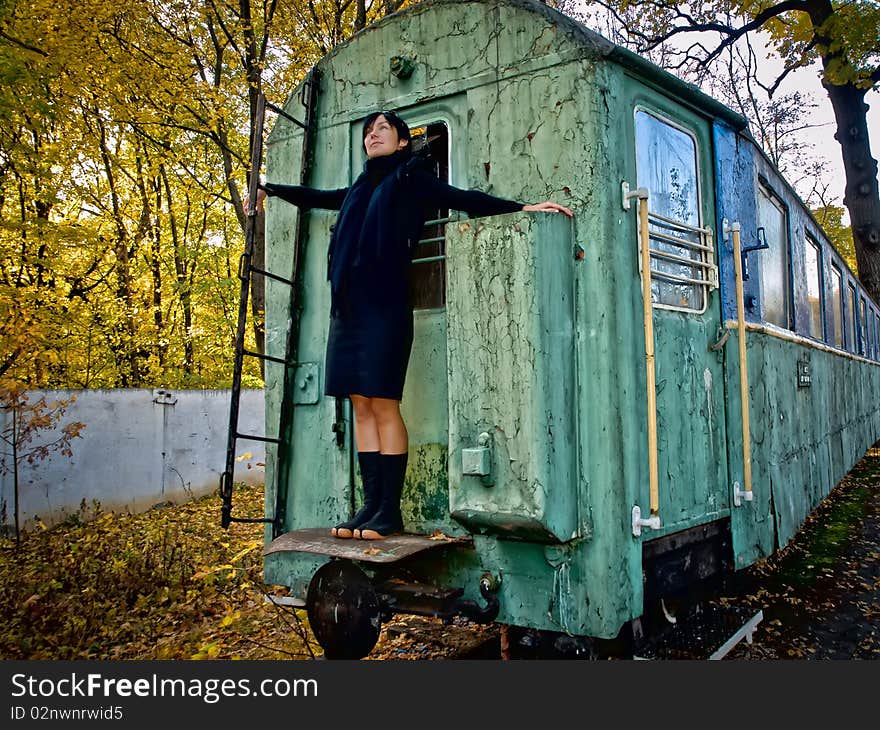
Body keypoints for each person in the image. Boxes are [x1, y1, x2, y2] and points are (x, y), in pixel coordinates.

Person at [250, 110, 573, 540]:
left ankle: (389, 510)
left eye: (383, 128)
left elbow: (464, 198)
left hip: (386, 306)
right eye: (368, 131)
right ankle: (369, 506)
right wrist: (271, 189)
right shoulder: (358, 190)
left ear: (402, 142)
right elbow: (318, 197)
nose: (373, 134)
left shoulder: (412, 180)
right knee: (359, 404)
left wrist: (523, 207)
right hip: (348, 308)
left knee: (383, 403)